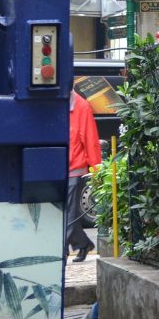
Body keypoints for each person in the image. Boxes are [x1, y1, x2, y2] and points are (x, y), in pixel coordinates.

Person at [67, 89, 102, 262]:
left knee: (68, 214)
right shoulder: (73, 104)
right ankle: (83, 244)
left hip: (74, 167)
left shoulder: (81, 106)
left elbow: (90, 140)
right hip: (65, 165)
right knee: (67, 213)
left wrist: (96, 170)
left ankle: (60, 251)